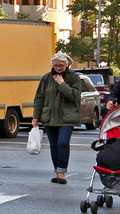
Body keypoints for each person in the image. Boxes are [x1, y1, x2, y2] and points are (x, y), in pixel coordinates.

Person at [32, 52, 89, 184]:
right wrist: (36, 116)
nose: (58, 68)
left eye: (61, 65)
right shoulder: (46, 78)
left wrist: (62, 83)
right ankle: (57, 172)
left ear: (67, 64)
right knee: (54, 145)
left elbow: (75, 96)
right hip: (50, 116)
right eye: (56, 65)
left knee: (62, 143)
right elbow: (39, 98)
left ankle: (62, 172)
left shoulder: (74, 77)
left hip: (67, 117)